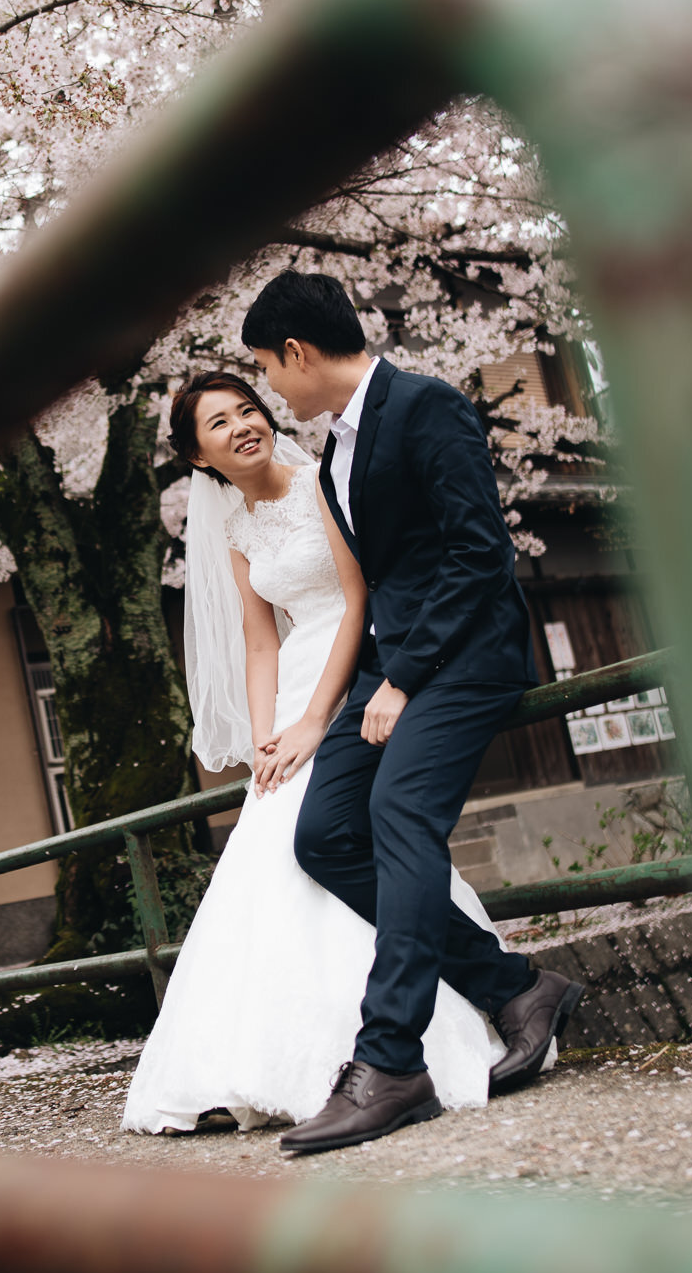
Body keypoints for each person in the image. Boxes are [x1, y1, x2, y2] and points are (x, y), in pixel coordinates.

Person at [245, 271, 585, 1155]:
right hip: (390, 670)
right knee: (324, 835)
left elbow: (480, 553)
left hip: (466, 657)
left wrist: (406, 676)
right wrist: (336, 704)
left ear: (298, 351)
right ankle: (517, 987)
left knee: (399, 813)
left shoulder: (426, 406)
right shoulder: (332, 454)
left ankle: (390, 1061)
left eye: (267, 369)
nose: (271, 390)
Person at [119, 370, 508, 1135]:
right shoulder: (235, 532)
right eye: (219, 424)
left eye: (247, 409)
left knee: (354, 837)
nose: (242, 426)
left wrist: (315, 720)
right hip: (295, 688)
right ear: (199, 459)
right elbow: (261, 639)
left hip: (356, 673)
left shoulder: (321, 484)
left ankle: (404, 1039)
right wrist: (269, 734)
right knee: (278, 846)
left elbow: (357, 601)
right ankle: (262, 1062)